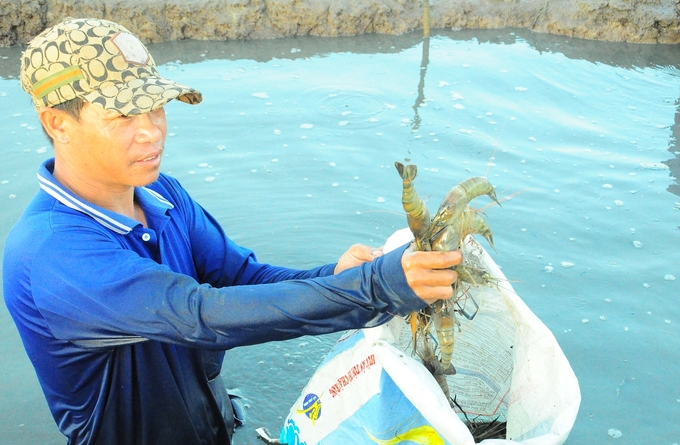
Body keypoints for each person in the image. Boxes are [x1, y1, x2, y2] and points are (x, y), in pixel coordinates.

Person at [2, 17, 462, 445]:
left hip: (211, 419)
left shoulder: (160, 192)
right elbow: (201, 314)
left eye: (156, 108)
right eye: (124, 117)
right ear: (58, 123)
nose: (152, 133)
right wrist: (377, 288)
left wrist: (336, 277)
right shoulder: (50, 251)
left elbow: (242, 278)